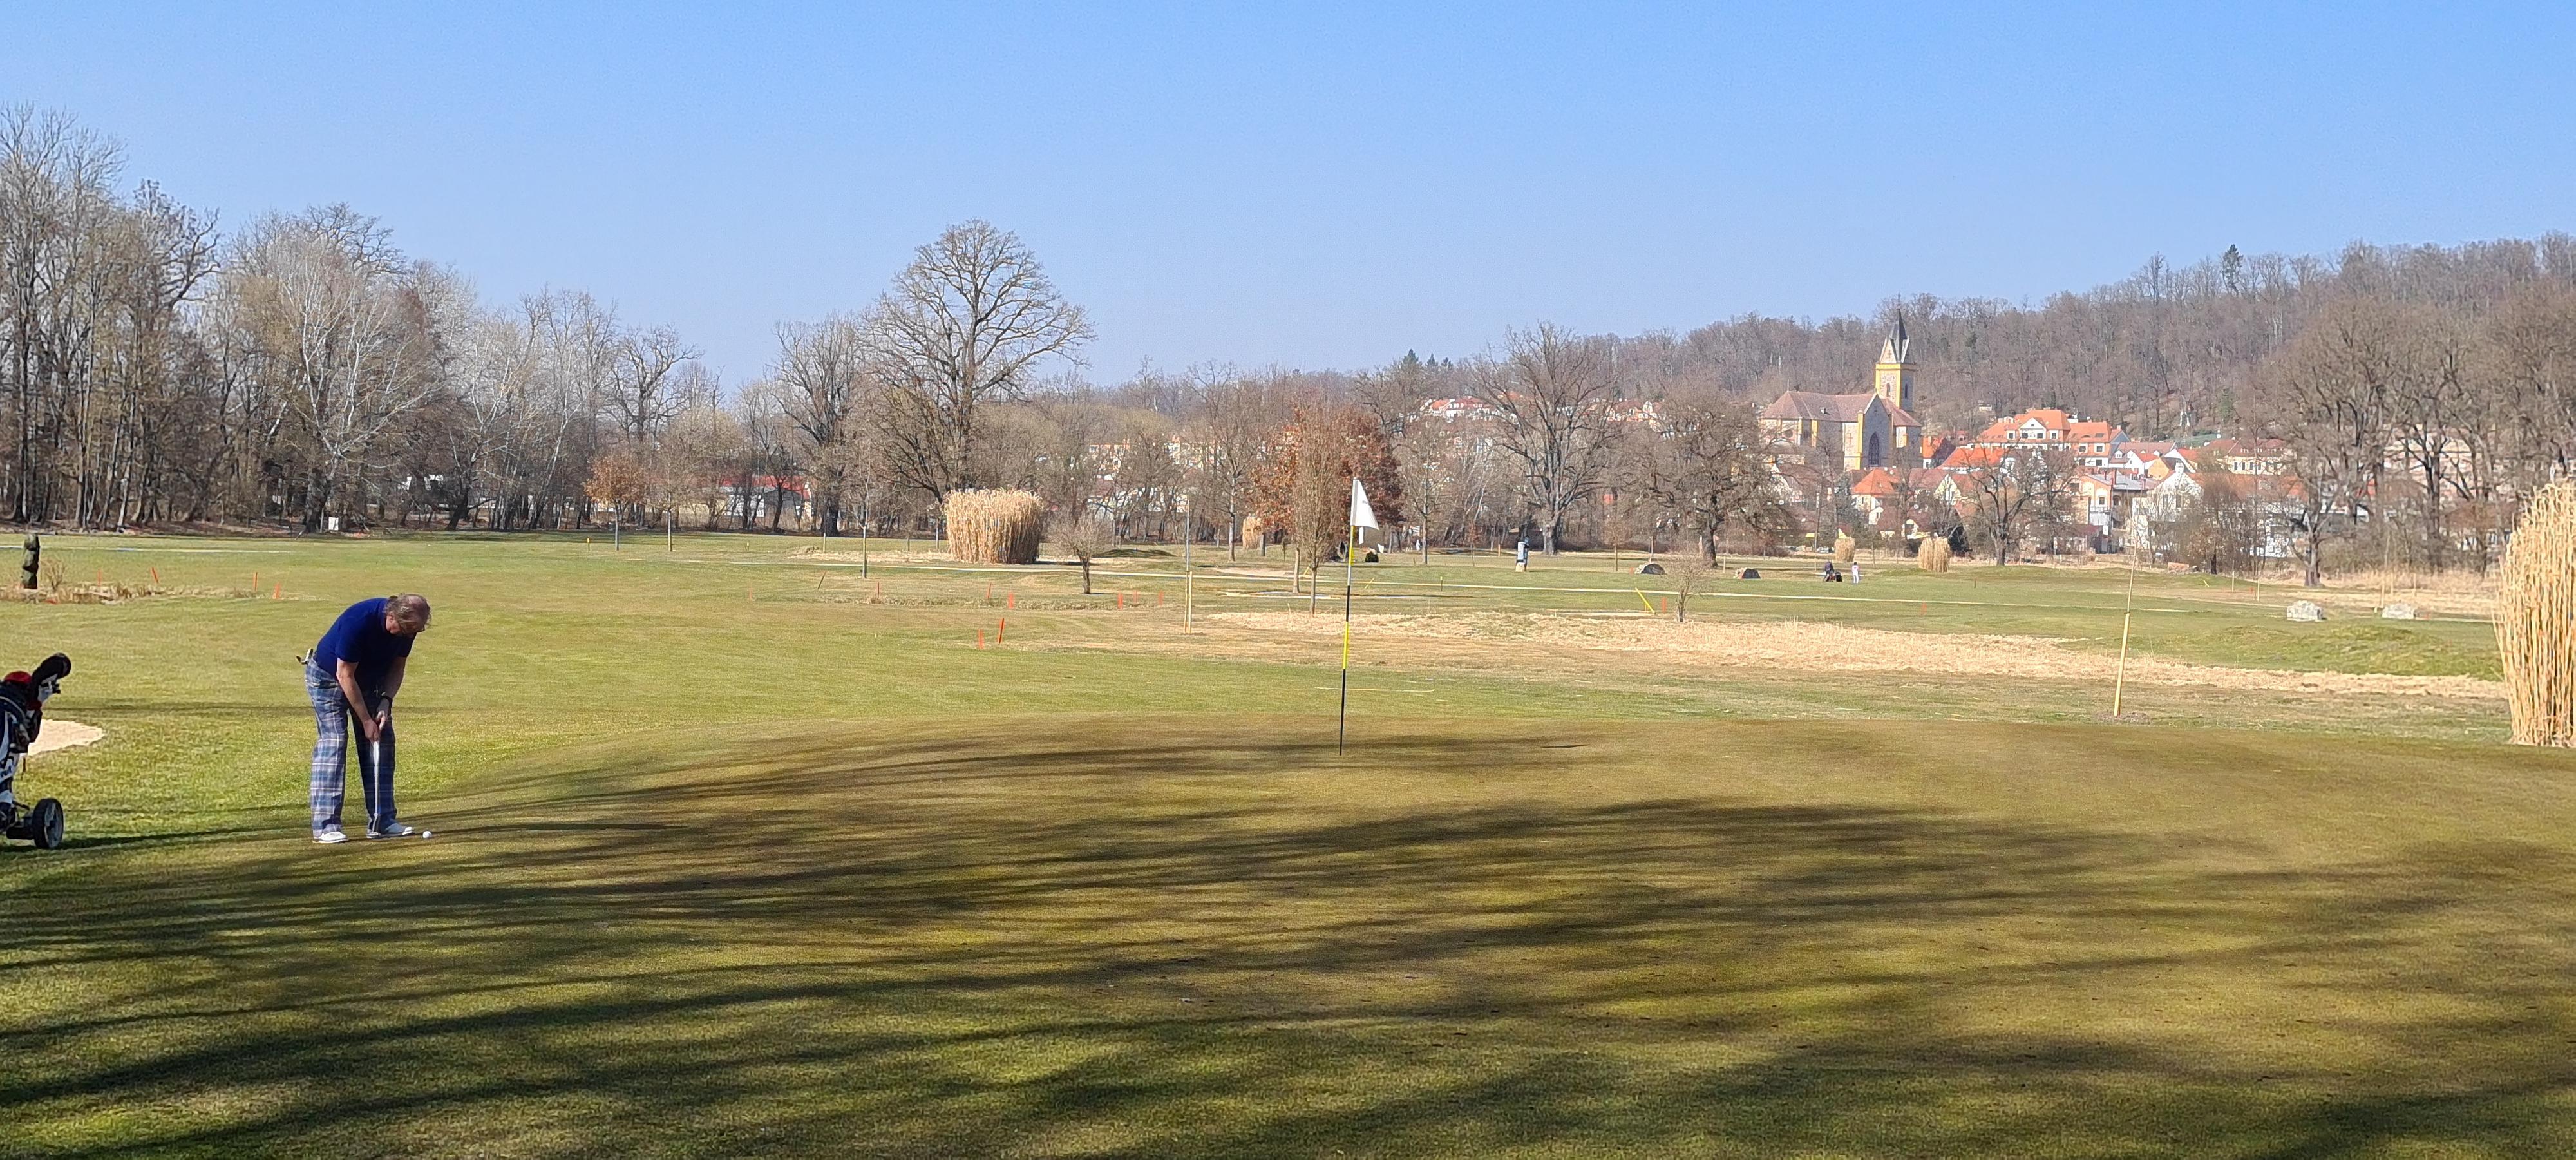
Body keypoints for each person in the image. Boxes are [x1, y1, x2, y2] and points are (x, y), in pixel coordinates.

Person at [305, 594, 430, 843]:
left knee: (381, 739)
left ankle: (382, 820)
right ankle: (326, 826)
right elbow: (345, 675)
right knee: (335, 741)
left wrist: (386, 701)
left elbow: (398, 667)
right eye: (407, 628)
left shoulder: (408, 629)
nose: (410, 634)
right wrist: (365, 720)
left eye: (416, 629)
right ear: (391, 616)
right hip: (328, 678)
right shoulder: (359, 620)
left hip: (369, 680)